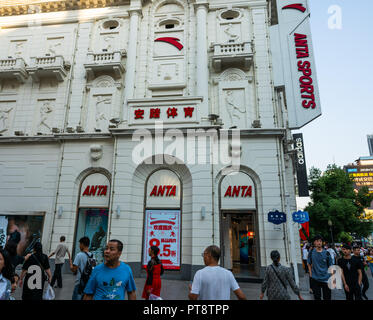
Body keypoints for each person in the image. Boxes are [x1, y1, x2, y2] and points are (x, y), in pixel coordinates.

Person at [307, 235, 333, 300]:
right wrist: (310, 273)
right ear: (314, 243)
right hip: (315, 279)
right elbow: (308, 263)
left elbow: (331, 266)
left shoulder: (327, 253)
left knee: (327, 297)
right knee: (317, 297)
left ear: (322, 242)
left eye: (320, 241)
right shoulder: (312, 252)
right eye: (317, 241)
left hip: (326, 279)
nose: (319, 242)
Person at [70, 236, 93, 300]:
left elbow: (74, 270)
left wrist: (71, 265)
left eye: (80, 244)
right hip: (88, 283)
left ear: (82, 244)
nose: (79, 246)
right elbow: (93, 270)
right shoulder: (92, 256)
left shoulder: (79, 255)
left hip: (79, 282)